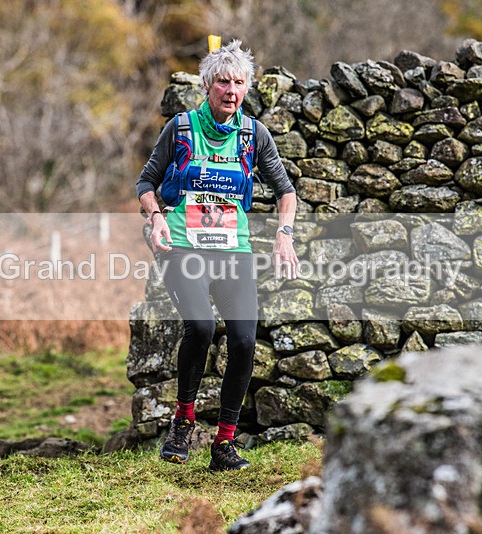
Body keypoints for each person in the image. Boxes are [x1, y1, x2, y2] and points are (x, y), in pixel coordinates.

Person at [136, 40, 299, 471]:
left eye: (239, 82)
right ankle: (183, 423)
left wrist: (285, 235)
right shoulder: (182, 128)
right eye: (224, 81)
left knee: (245, 339)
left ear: (247, 88)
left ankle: (224, 445)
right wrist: (155, 218)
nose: (231, 89)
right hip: (182, 245)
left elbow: (286, 192)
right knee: (202, 327)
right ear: (208, 85)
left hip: (232, 249)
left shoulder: (253, 135)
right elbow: (146, 182)